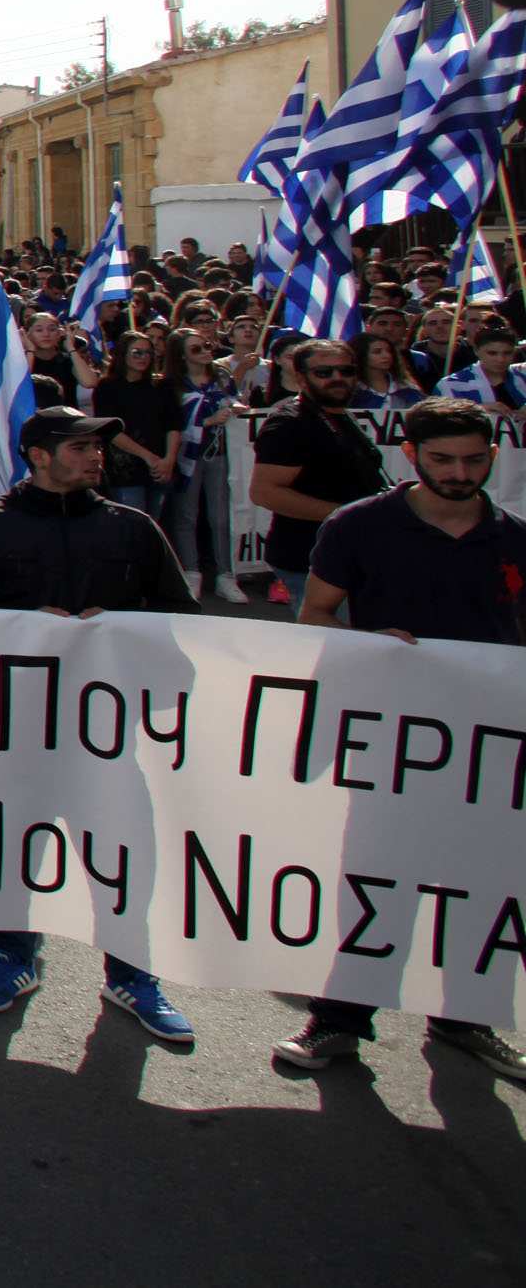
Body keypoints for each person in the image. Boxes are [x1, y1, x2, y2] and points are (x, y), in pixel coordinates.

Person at [0, 405, 200, 1040]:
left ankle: (132, 974)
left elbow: (178, 619)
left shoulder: (132, 529)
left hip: (106, 730)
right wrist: (19, 627)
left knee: (122, 849)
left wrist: (122, 626)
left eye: (97, 447)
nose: (95, 456)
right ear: (39, 455)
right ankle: (11, 957)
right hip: (12, 726)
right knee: (9, 845)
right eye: (79, 446)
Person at [275, 397, 526, 1079]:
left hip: (489, 744)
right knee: (376, 878)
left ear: (493, 455)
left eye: (475, 459)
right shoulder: (358, 526)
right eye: (443, 459)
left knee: (481, 882)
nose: (460, 472)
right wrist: (368, 646)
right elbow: (317, 615)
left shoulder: (516, 538)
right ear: (410, 455)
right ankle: (338, 1020)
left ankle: (466, 1015)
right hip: (390, 735)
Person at [247, 339, 388, 609]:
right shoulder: (289, 424)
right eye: (323, 372)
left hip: (346, 553)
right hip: (311, 559)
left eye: (346, 371)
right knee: (334, 643)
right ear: (301, 377)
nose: (337, 378)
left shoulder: (335, 414)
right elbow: (265, 493)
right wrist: (348, 514)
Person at [164, 328, 246, 606]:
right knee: (187, 516)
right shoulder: (173, 385)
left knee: (221, 516)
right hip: (187, 456)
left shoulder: (222, 378)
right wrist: (207, 422)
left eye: (207, 345)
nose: (206, 351)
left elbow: (237, 401)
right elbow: (171, 422)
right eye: (196, 348)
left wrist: (236, 408)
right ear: (182, 356)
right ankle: (191, 573)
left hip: (220, 454)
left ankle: (226, 576)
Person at [87, 331, 180, 516]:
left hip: (161, 468)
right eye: (137, 352)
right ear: (123, 354)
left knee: (158, 525)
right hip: (126, 471)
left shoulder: (162, 386)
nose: (143, 357)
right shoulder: (107, 387)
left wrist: (169, 459)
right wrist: (148, 457)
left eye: (148, 353)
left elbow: (174, 425)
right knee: (133, 524)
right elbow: (111, 430)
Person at [437, 321, 526, 409]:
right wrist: (480, 408)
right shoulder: (451, 384)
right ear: (476, 351)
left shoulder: (522, 375)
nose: (500, 359)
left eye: (507, 353)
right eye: (492, 353)